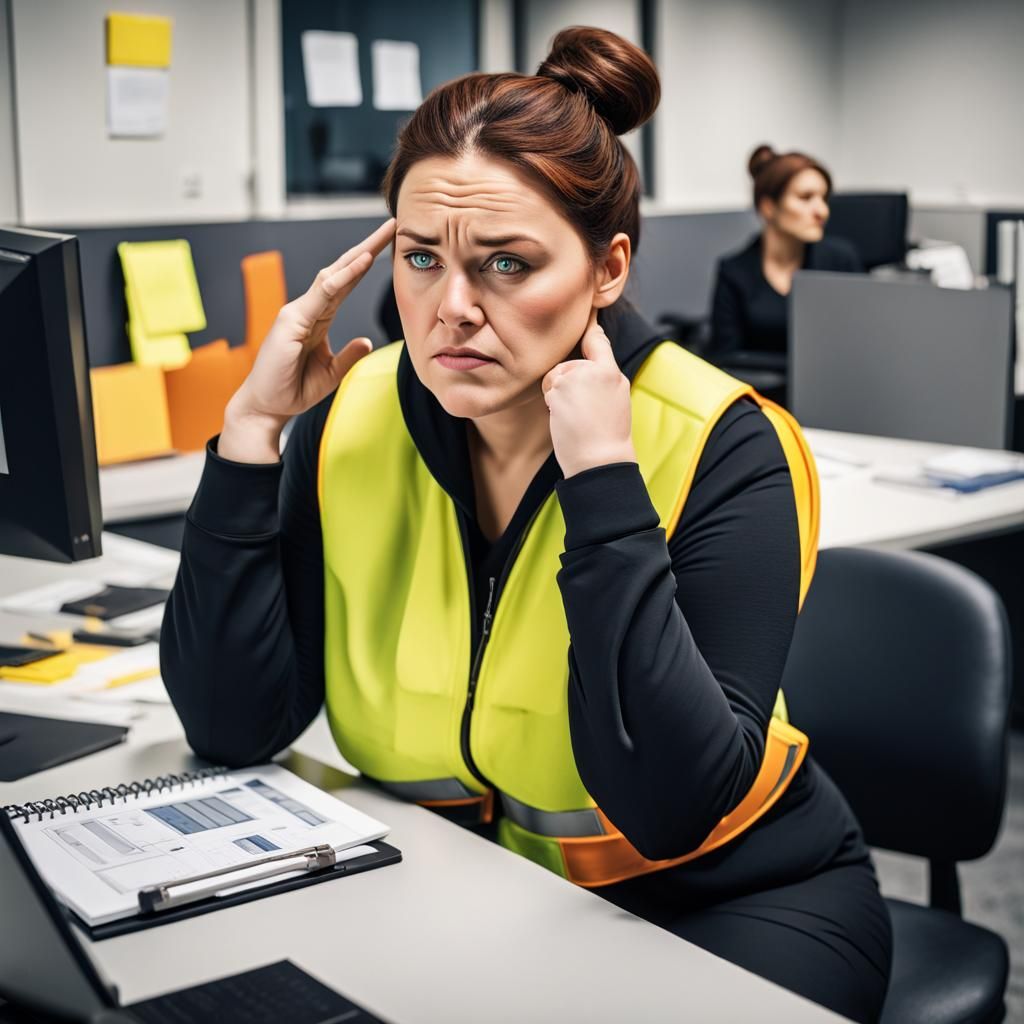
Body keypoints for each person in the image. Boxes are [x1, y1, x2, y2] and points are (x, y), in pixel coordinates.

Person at [161, 28, 891, 1023]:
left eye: (506, 263)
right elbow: (233, 724)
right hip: (478, 887)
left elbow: (669, 803)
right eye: (421, 257)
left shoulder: (724, 445)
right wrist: (249, 435)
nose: (451, 307)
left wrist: (601, 480)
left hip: (730, 899)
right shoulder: (350, 417)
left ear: (607, 269)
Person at [708, 145, 863, 360]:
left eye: (824, 198)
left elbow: (860, 343)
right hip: (760, 391)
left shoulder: (840, 261)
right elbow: (725, 357)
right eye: (806, 197)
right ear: (768, 206)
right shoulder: (734, 271)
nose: (823, 211)